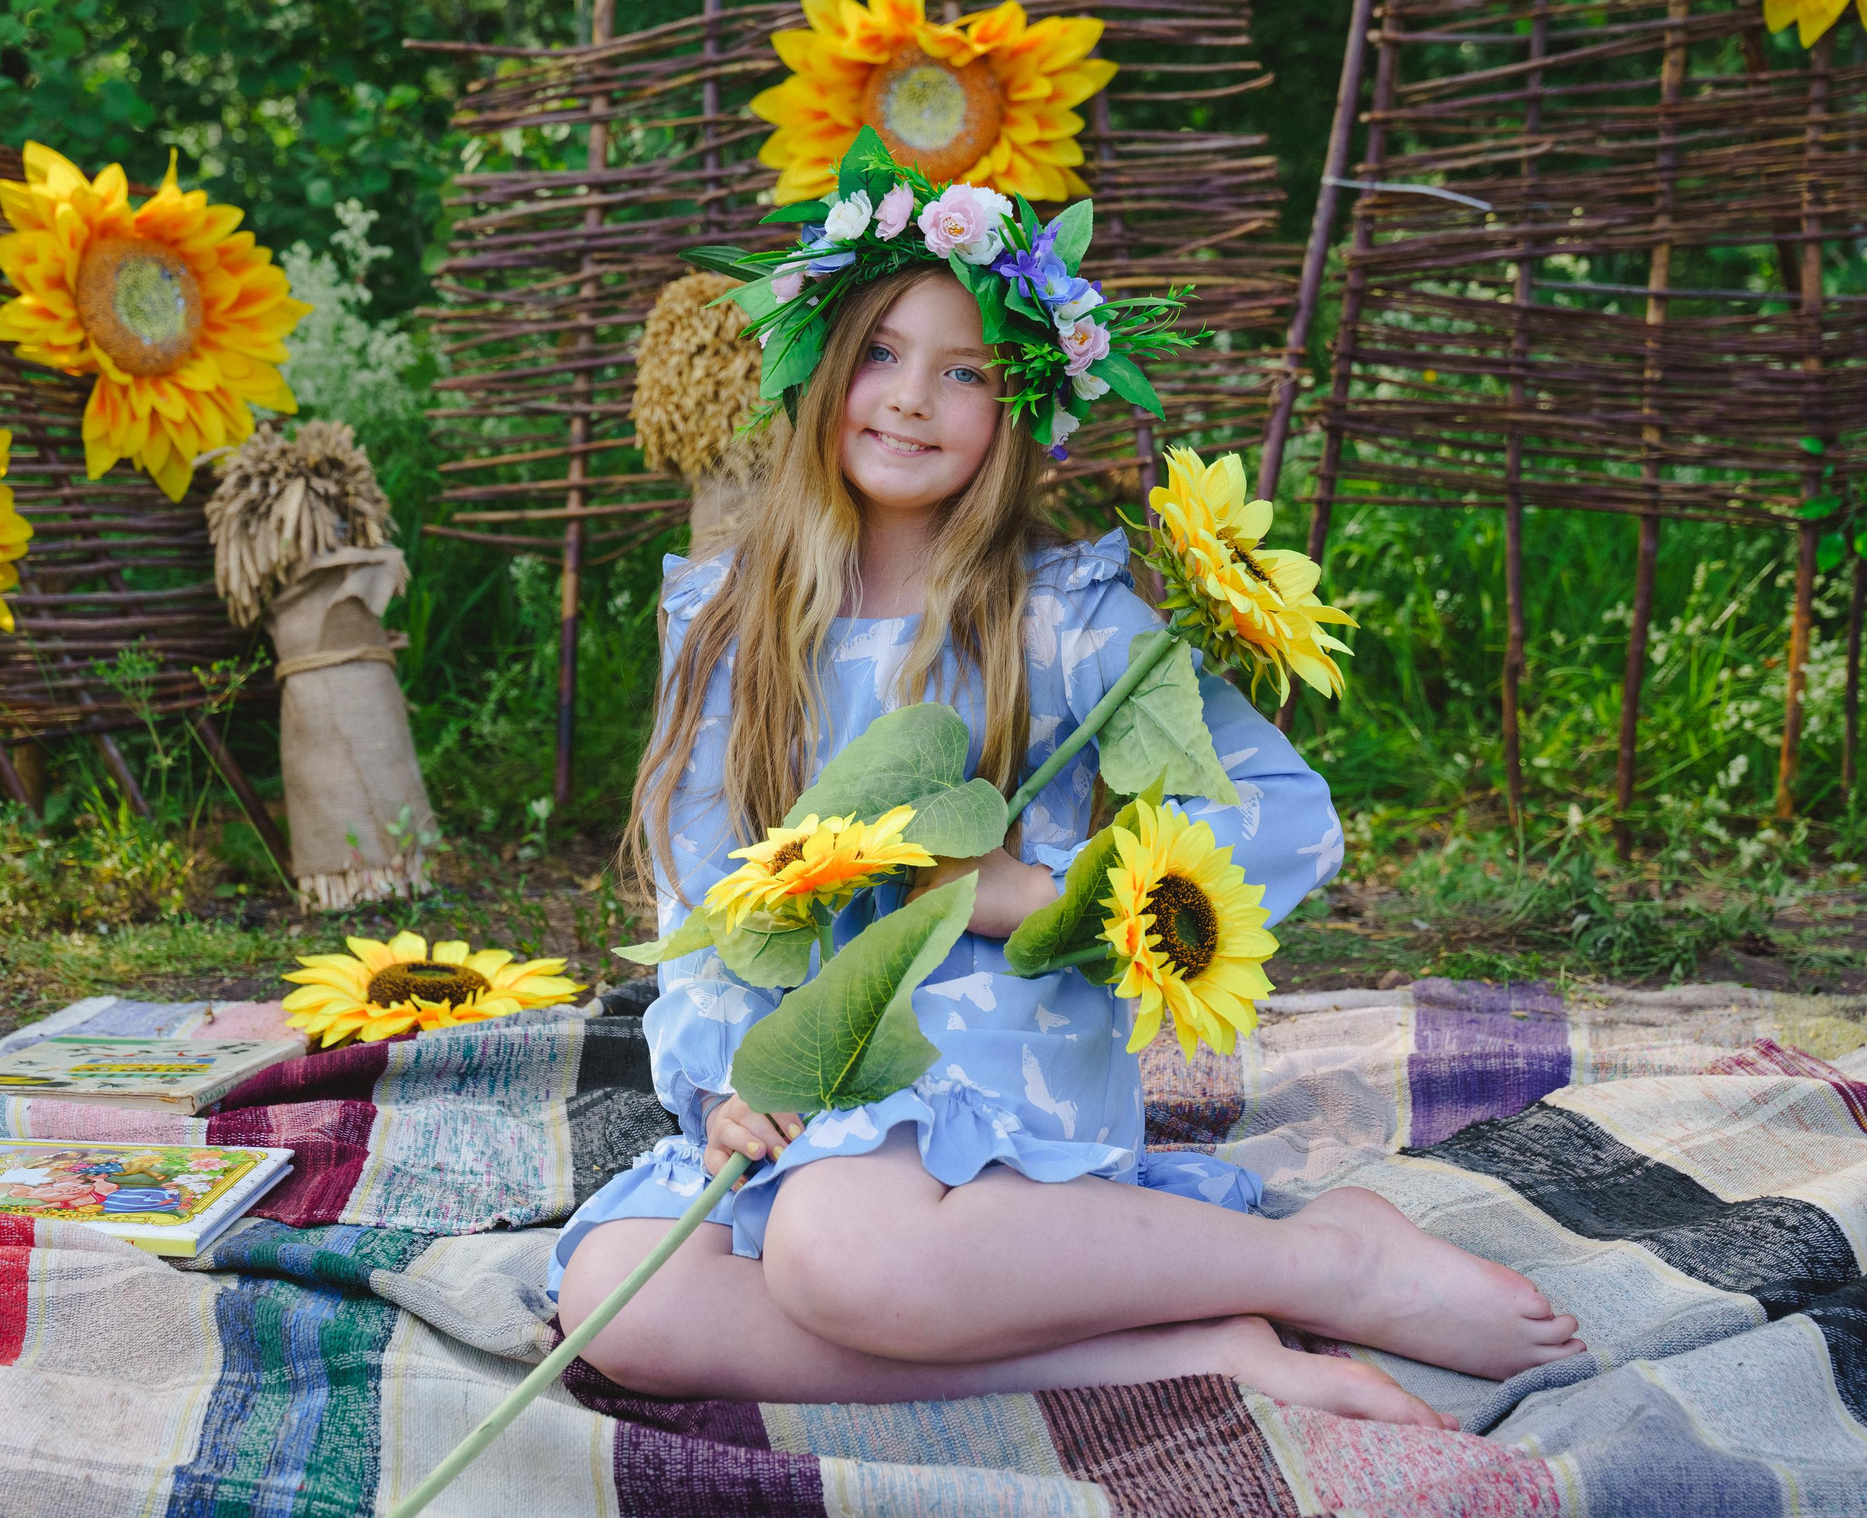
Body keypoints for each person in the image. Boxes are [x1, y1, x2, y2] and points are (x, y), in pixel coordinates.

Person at [549, 249, 1584, 1429]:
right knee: (617, 1303)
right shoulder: (732, 616)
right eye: (880, 354)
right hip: (805, 1056)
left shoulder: (1066, 613)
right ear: (820, 365)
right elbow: (702, 896)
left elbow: (1282, 817)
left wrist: (1041, 901)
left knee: (840, 1254)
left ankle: (1326, 1263)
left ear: (1021, 405)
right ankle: (1204, 1353)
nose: (907, 397)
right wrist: (727, 1081)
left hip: (989, 1054)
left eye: (964, 372)